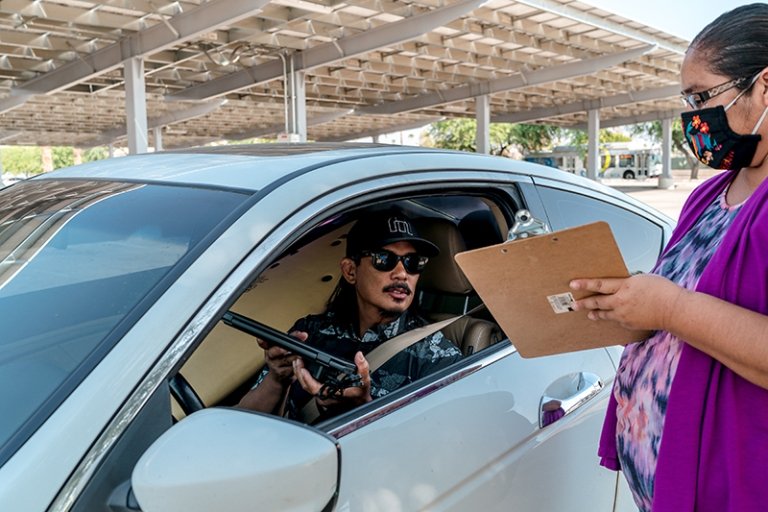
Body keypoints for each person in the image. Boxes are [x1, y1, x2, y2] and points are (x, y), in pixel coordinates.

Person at [569, 4, 768, 511]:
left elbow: (680, 309)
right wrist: (626, 304)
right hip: (661, 478)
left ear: (764, 87)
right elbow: (681, 298)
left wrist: (668, 309)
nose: (693, 116)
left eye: (703, 96)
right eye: (687, 99)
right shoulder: (709, 195)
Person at [239, 209, 463, 420]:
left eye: (413, 263)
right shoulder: (310, 332)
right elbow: (244, 426)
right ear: (350, 271)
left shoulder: (439, 358)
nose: (402, 274)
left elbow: (434, 449)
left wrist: (361, 412)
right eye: (384, 259)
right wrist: (277, 380)